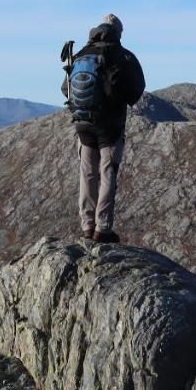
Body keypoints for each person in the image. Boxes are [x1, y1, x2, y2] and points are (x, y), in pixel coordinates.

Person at [61, 13, 145, 243]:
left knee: (87, 174)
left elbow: (64, 88)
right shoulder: (122, 55)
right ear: (118, 32)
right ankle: (103, 229)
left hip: (83, 124)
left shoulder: (81, 54)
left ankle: (87, 227)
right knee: (107, 174)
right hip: (110, 127)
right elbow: (136, 92)